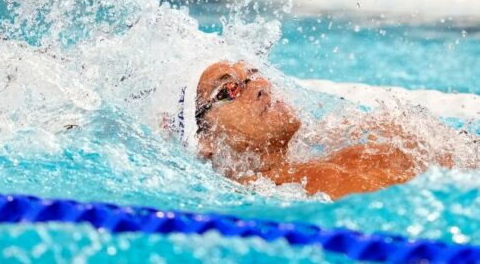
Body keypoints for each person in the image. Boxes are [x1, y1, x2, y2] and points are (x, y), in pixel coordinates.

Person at [193, 61, 454, 200]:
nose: (261, 84)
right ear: (207, 140)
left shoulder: (348, 157)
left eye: (253, 73)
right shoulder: (264, 196)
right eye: (230, 89)